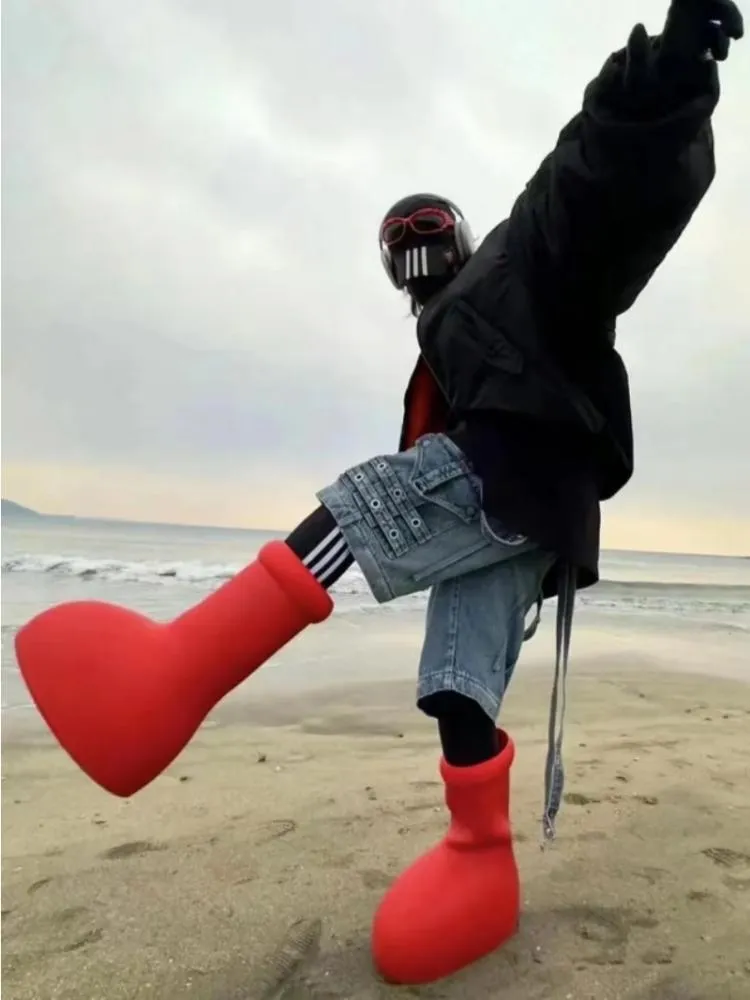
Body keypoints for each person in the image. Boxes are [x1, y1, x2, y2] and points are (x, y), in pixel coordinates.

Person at [14, 0, 744, 987]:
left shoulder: (512, 269)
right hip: (529, 515)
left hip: (515, 470)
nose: (418, 259)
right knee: (457, 676)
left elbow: (582, 195)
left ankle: (172, 674)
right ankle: (481, 861)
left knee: (367, 499)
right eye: (401, 247)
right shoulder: (443, 341)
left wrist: (658, 84)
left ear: (463, 238)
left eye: (429, 234)